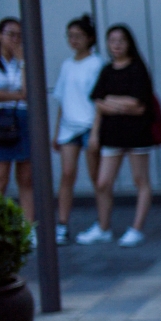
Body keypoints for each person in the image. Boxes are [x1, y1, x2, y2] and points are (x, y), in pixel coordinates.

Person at [77, 24, 157, 247]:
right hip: (111, 134)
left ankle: (136, 228)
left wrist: (111, 101)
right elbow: (98, 103)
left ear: (129, 42)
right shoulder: (107, 70)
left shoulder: (138, 69)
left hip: (137, 134)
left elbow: (138, 103)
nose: (116, 45)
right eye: (112, 40)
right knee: (103, 182)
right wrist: (96, 133)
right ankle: (103, 227)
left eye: (121, 40)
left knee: (140, 180)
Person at [51, 15, 104, 245]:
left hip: (89, 125)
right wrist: (56, 131)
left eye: (78, 36)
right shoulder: (67, 65)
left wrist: (96, 131)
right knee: (67, 174)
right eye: (70, 36)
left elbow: (100, 100)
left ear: (89, 38)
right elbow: (62, 100)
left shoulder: (97, 63)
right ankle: (62, 224)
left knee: (96, 177)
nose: (73, 40)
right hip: (68, 128)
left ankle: (103, 222)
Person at [0, 18, 33, 223]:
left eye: (19, 35)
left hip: (23, 119)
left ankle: (29, 228)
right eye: (10, 34)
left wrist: (22, 62)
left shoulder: (25, 59)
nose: (15, 39)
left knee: (26, 179)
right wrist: (18, 95)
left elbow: (29, 91)